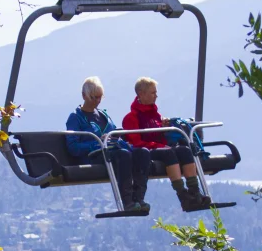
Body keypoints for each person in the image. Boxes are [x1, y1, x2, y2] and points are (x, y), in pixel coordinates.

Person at [65, 76, 151, 213]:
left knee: (143, 153)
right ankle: (127, 201)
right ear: (84, 96)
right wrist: (98, 143)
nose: (97, 101)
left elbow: (114, 135)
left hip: (112, 150)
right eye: (93, 97)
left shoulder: (103, 115)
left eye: (100, 97)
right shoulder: (75, 118)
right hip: (94, 155)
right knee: (123, 156)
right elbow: (73, 147)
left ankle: (139, 198)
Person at [122, 77, 209, 211]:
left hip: (160, 147)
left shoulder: (155, 114)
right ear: (141, 94)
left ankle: (194, 192)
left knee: (184, 150)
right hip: (147, 151)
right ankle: (182, 195)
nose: (156, 96)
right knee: (168, 153)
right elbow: (136, 142)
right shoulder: (131, 118)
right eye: (153, 93)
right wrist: (158, 145)